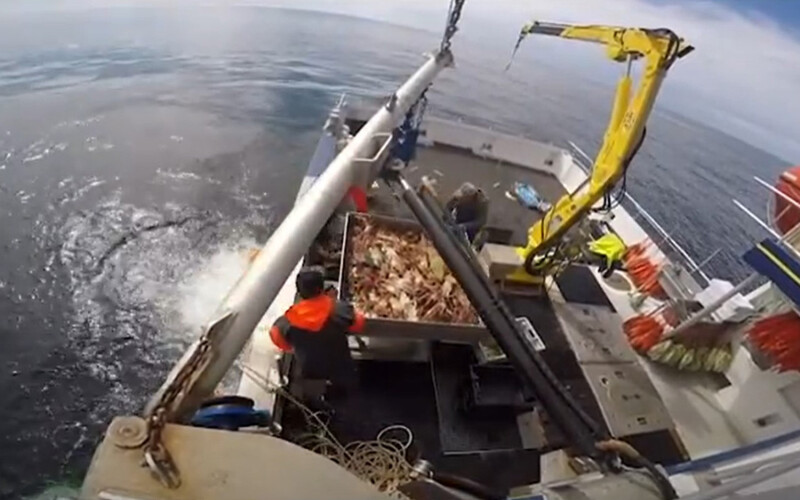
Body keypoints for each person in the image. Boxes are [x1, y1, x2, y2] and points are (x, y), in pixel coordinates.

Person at [270, 266, 366, 397]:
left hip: (311, 372)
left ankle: (319, 405)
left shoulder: (287, 321)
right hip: (340, 367)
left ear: (299, 292)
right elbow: (359, 325)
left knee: (314, 398)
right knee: (348, 392)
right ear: (322, 288)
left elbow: (275, 335)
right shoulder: (337, 309)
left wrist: (294, 348)